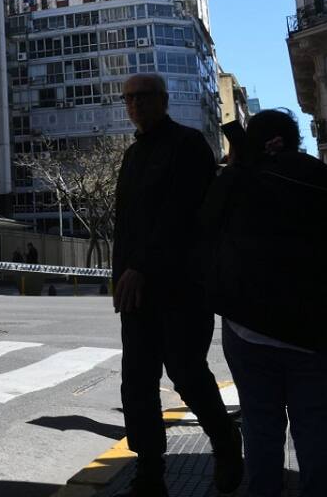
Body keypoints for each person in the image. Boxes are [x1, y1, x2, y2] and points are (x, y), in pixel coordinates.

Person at [202, 110, 327, 497]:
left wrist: (235, 168)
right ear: (294, 140)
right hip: (323, 336)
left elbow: (205, 228)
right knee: (318, 436)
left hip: (250, 331)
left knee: (262, 434)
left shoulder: (241, 181)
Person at [113, 73, 241, 496]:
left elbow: (183, 216)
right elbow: (126, 228)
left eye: (143, 97)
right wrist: (122, 280)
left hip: (181, 286)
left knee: (186, 373)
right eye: (128, 98)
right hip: (135, 291)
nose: (134, 105)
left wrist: (143, 267)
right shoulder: (132, 156)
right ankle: (149, 472)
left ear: (163, 100)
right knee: (137, 382)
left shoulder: (187, 145)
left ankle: (225, 444)